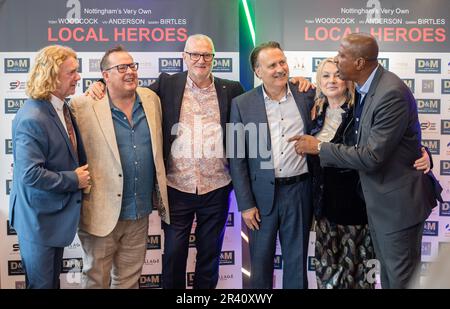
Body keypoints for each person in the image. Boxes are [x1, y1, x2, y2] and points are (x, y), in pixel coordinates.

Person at [87, 34, 313, 288]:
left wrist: (299, 82)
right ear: (184, 57)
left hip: (216, 188)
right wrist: (100, 83)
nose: (201, 60)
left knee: (210, 257)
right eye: (195, 54)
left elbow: (244, 140)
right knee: (173, 255)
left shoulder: (233, 90)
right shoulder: (167, 84)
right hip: (176, 188)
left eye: (207, 55)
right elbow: (129, 89)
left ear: (214, 59)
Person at [294, 33, 442, 289]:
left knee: (400, 281)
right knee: (390, 279)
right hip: (372, 206)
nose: (337, 62)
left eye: (342, 56)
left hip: (397, 208)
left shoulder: (389, 93)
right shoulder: (367, 90)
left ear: (360, 63)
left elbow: (372, 155)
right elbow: (395, 139)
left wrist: (318, 147)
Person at [70, 45, 169, 288]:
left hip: (139, 212)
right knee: (95, 279)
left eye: (132, 66)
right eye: (121, 67)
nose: (130, 72)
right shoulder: (82, 106)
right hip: (101, 213)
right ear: (105, 76)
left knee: (129, 281)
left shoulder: (151, 99)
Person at [228, 41, 315, 289]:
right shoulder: (242, 104)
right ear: (258, 72)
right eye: (272, 65)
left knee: (297, 265)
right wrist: (245, 204)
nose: (280, 69)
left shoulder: (306, 94)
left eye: (282, 62)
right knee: (260, 266)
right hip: (260, 198)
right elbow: (237, 158)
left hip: (299, 192)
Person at [9, 45, 90, 288]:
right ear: (52, 76)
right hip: (38, 221)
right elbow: (30, 174)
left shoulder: (61, 106)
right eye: (72, 72)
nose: (78, 77)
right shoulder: (32, 117)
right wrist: (74, 180)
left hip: (52, 218)